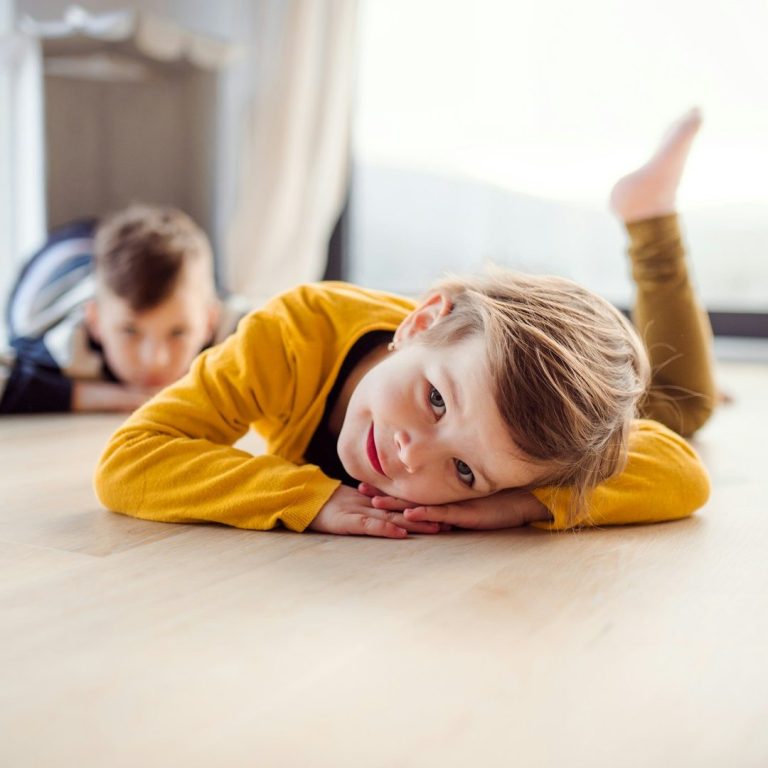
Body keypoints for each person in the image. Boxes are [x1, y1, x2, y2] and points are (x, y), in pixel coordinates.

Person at [94, 110, 715, 536]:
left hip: (560, 414)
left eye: (466, 472)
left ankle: (649, 214)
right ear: (421, 321)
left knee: (676, 412)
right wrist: (309, 500)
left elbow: (682, 472)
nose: (412, 455)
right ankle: (650, 218)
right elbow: (129, 460)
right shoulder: (287, 336)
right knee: (685, 403)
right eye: (436, 400)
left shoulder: (505, 438)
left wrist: (523, 504)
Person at [1, 205, 247, 414]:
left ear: (209, 322)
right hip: (61, 259)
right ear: (95, 322)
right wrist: (118, 397)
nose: (155, 360)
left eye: (178, 333)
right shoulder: (62, 344)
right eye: (130, 331)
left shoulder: (232, 328)